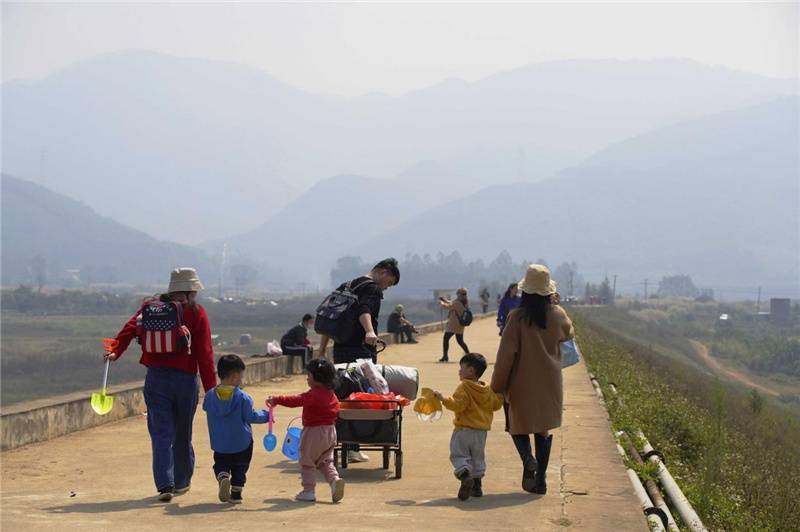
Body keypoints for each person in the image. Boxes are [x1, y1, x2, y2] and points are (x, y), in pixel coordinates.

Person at [105, 267, 216, 502]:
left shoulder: (152, 308)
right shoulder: (196, 313)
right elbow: (204, 354)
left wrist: (115, 351)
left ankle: (165, 484)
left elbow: (129, 329)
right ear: (191, 290)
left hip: (156, 379)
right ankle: (182, 482)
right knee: (182, 433)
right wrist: (211, 390)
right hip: (185, 381)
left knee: (160, 433)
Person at [490, 264, 574, 495]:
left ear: (525, 292)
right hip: (550, 381)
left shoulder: (516, 317)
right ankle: (541, 481)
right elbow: (569, 333)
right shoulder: (557, 315)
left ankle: (528, 459)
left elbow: (506, 356)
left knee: (516, 424)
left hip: (521, 380)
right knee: (542, 429)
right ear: (549, 292)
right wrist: (556, 305)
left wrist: (497, 386)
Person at [268, 359, 345, 504]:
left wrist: (277, 399)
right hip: (330, 433)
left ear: (317, 378)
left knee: (307, 462)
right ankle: (334, 480)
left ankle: (308, 491)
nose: (307, 378)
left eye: (309, 375)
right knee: (325, 461)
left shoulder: (313, 395)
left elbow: (295, 400)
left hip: (313, 433)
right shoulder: (331, 394)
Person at [433, 353, 503, 501]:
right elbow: (496, 405)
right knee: (477, 459)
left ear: (471, 371)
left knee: (459, 455)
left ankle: (465, 477)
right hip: (481, 433)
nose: (459, 371)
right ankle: (477, 487)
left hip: (463, 431)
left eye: (461, 368)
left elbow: (458, 405)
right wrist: (502, 394)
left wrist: (442, 398)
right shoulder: (487, 390)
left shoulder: (464, 386)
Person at [203, 354, 269, 504]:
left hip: (220, 443)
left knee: (221, 463)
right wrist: (267, 415)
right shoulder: (243, 398)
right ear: (234, 376)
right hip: (241, 442)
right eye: (240, 376)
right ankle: (236, 494)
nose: (241, 379)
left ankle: (223, 476)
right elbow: (251, 417)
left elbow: (206, 408)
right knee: (240, 466)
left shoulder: (209, 396)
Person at [318, 258, 399, 366]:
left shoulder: (346, 286)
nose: (387, 287)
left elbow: (330, 318)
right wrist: (369, 331)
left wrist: (322, 351)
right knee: (364, 382)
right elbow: (364, 308)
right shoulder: (373, 288)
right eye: (389, 283)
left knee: (345, 381)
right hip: (361, 350)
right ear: (383, 272)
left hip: (340, 350)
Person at [438, 288, 470, 363]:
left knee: (446, 338)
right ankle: (468, 355)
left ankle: (445, 356)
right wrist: (444, 300)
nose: (457, 295)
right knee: (460, 341)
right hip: (459, 325)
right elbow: (451, 303)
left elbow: (449, 306)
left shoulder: (458, 303)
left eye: (458, 293)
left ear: (460, 294)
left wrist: (441, 303)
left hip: (454, 325)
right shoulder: (463, 302)